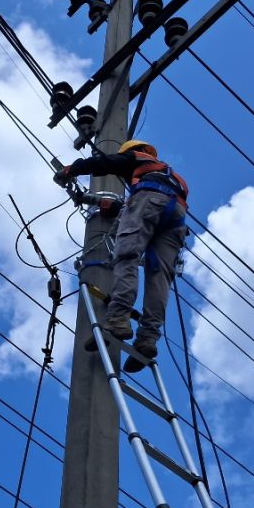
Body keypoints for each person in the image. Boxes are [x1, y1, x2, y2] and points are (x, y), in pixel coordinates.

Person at [55, 139, 189, 364]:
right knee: (160, 277)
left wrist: (72, 169)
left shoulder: (137, 157)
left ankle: (118, 318)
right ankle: (148, 339)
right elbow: (153, 203)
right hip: (176, 219)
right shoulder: (172, 177)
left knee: (126, 255)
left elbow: (105, 163)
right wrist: (110, 206)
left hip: (149, 202)